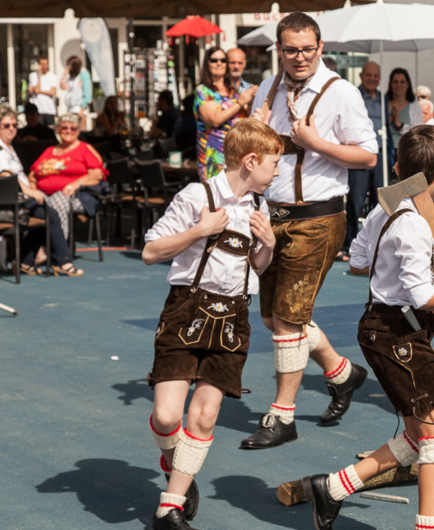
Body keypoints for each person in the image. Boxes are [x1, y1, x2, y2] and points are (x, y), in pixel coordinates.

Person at [302, 125, 434, 530]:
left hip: (383, 330)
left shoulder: (383, 210)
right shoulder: (416, 224)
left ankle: (332, 487)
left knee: (422, 432)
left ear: (398, 165)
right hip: (398, 334)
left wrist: (389, 262)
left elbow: (357, 263)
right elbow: (422, 297)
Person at [242, 12, 379, 450]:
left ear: (321, 48)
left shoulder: (341, 92)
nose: (299, 57)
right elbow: (249, 149)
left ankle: (283, 416)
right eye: (290, 49)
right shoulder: (267, 88)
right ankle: (342, 373)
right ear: (278, 50)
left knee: (286, 318)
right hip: (272, 215)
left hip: (318, 217)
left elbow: (368, 157)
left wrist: (318, 144)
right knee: (272, 316)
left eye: (307, 49)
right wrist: (255, 126)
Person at [142, 118, 280, 530]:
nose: (276, 173)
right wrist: (199, 230)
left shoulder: (259, 205)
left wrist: (268, 246)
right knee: (168, 417)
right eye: (273, 164)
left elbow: (256, 264)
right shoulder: (195, 195)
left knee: (203, 416)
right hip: (186, 310)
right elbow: (150, 251)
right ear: (250, 161)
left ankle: (171, 506)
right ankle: (174, 461)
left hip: (233, 317)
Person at [0, 105, 77, 276]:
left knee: (44, 213)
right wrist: (31, 192)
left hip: (14, 199)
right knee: (49, 214)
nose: (11, 129)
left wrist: (32, 187)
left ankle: (25, 261)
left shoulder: (6, 144)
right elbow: (6, 174)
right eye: (6, 125)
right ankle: (62, 261)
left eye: (15, 125)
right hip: (3, 203)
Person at [28, 113, 107, 251]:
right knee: (32, 204)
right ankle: (32, 251)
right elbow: (32, 175)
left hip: (77, 196)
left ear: (78, 131)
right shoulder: (49, 151)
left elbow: (97, 174)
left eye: (73, 128)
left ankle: (58, 250)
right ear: (57, 129)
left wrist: (76, 184)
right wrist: (33, 191)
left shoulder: (84, 148)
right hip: (45, 195)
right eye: (64, 127)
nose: (68, 131)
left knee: (58, 200)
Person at [194, 47, 258, 181]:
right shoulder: (203, 91)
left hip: (237, 152)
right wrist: (240, 102)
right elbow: (214, 119)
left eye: (222, 60)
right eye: (214, 60)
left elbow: (246, 115)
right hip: (214, 154)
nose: (219, 63)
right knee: (215, 197)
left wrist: (251, 101)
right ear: (207, 63)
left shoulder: (233, 90)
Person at [344, 61, 386, 261]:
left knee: (381, 201)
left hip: (380, 155)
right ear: (361, 76)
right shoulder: (353, 96)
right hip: (359, 154)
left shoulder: (384, 100)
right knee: (355, 200)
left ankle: (378, 242)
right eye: (368, 75)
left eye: (375, 75)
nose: (372, 78)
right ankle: (350, 242)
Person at [386, 68, 422, 159]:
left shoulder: (415, 106)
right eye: (395, 82)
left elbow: (417, 132)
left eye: (402, 82)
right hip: (386, 152)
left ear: (408, 84)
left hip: (406, 153)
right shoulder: (383, 104)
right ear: (390, 84)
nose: (399, 85)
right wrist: (391, 117)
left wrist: (399, 124)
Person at [60, 56, 92, 129]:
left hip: (79, 109)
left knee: (81, 132)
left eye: (70, 65)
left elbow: (87, 93)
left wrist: (82, 108)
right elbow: (63, 86)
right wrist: (64, 73)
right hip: (71, 109)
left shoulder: (84, 74)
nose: (68, 67)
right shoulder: (72, 76)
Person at [27, 54, 57, 127]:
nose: (44, 66)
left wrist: (40, 91)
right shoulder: (33, 76)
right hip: (38, 109)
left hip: (49, 109)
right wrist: (39, 76)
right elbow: (35, 90)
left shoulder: (52, 76)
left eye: (46, 64)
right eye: (42, 64)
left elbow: (52, 92)